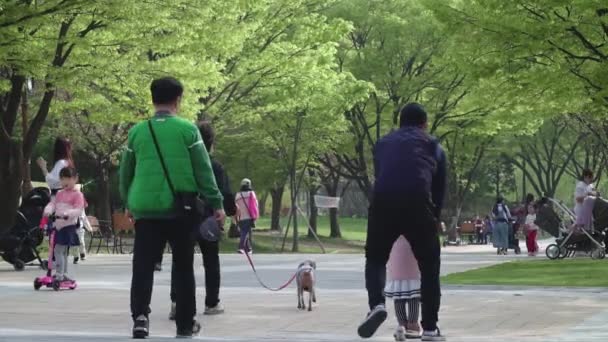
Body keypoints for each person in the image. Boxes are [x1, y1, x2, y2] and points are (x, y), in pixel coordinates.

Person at [119, 77, 225, 339]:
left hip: (145, 208)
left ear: (153, 99)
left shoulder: (137, 132)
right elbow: (203, 171)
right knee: (183, 266)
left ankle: (141, 317)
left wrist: (128, 202)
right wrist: (217, 203)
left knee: (142, 264)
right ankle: (185, 324)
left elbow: (125, 173)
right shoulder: (188, 131)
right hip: (181, 208)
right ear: (178, 100)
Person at [357, 103, 447, 341]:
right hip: (418, 203)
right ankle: (429, 328)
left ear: (399, 123)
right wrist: (435, 218)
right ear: (424, 123)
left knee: (375, 257)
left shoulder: (383, 144)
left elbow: (381, 174)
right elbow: (439, 189)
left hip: (383, 202)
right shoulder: (434, 145)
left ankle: (376, 304)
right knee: (429, 266)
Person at [168, 121, 238, 319]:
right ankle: (212, 302)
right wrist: (230, 211)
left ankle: (176, 302)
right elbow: (225, 193)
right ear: (211, 143)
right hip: (208, 219)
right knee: (211, 261)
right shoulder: (215, 166)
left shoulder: (183, 165)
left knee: (181, 261)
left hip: (185, 217)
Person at [37, 137, 87, 263]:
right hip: (67, 201)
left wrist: (43, 168)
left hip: (60, 201)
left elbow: (53, 182)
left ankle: (54, 259)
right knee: (65, 230)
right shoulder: (69, 162)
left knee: (56, 230)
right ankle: (62, 258)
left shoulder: (61, 163)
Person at [42, 167, 84, 282]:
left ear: (75, 179)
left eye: (68, 178)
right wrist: (48, 210)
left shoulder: (77, 195)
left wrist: (67, 213)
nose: (64, 182)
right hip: (58, 226)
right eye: (62, 179)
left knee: (58, 250)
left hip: (68, 226)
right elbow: (53, 204)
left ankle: (59, 275)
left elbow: (78, 209)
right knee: (62, 251)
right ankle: (63, 274)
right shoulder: (60, 193)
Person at [385, 236, 422, 341]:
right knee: (413, 296)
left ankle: (402, 325)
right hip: (411, 251)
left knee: (399, 297)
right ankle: (412, 324)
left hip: (395, 251)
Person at [235, 178, 259, 254]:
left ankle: (248, 249)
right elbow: (256, 205)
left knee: (244, 231)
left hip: (240, 217)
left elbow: (235, 206)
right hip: (248, 216)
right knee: (245, 232)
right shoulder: (251, 194)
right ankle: (241, 247)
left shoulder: (238, 195)